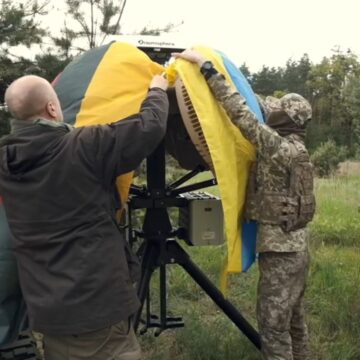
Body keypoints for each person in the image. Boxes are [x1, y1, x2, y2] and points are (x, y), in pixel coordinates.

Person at [0, 73, 169, 360]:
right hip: (96, 306)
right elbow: (148, 128)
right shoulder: (84, 145)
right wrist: (157, 91)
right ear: (52, 109)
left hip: (49, 309)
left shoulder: (5, 161)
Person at [172, 49, 315, 360]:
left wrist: (207, 69)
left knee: (273, 327)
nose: (271, 110)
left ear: (286, 118)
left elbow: (241, 113)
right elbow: (257, 106)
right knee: (295, 322)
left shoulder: (276, 148)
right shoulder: (299, 151)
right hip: (299, 249)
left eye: (278, 109)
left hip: (281, 254)